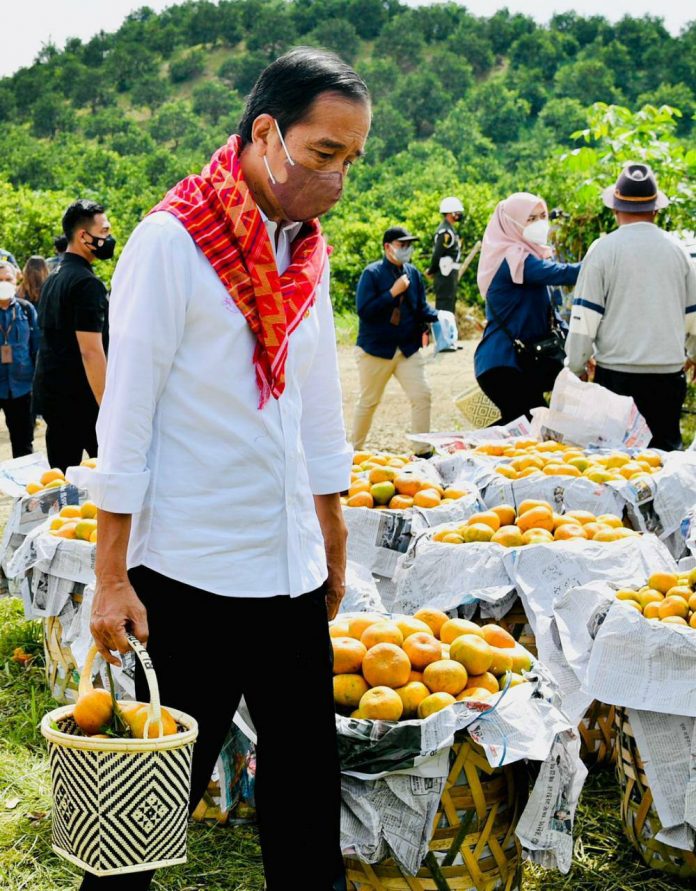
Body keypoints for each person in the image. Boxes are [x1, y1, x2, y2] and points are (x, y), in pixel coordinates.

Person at [79, 48, 371, 891]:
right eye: (324, 155)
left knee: (308, 796)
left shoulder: (304, 255)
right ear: (267, 133)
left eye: (352, 161)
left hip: (287, 575)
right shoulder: (172, 243)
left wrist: (333, 536)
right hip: (189, 577)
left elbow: (316, 404)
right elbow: (125, 422)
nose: (338, 180)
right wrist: (109, 576)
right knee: (142, 811)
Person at [566, 162, 696, 451]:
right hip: (667, 377)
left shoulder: (602, 250)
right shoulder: (678, 251)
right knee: (664, 462)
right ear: (656, 209)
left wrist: (577, 365)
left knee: (616, 463)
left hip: (616, 379)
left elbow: (584, 319)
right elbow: (693, 319)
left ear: (614, 208)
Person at [474, 192, 581, 424]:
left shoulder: (524, 258)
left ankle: (468, 449)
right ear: (512, 224)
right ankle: (461, 451)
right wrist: (602, 259)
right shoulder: (513, 259)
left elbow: (549, 317)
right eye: (531, 219)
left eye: (543, 216)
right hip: (503, 365)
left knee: (527, 425)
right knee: (535, 424)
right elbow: (563, 274)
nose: (540, 223)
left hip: (518, 364)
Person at [33, 199, 111, 471]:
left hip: (53, 395)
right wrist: (107, 404)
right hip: (82, 400)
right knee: (111, 475)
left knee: (62, 482)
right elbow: (90, 350)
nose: (108, 239)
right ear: (82, 236)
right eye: (104, 232)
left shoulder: (54, 278)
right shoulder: (87, 284)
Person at [352, 225, 438, 454]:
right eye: (402, 245)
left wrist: (440, 317)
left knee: (422, 396)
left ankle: (422, 451)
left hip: (407, 349)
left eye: (409, 245)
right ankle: (352, 451)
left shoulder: (413, 273)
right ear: (387, 247)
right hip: (376, 350)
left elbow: (420, 307)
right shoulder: (372, 274)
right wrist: (392, 293)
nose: (406, 249)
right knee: (369, 401)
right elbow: (364, 310)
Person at [0, 262, 40, 457]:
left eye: (8, 279)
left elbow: (37, 347)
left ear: (16, 280)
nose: (4, 284)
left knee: (23, 444)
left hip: (22, 388)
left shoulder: (26, 310)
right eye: (0, 280)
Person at [427, 196, 463, 314]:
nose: (459, 215)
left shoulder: (450, 229)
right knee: (444, 306)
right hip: (445, 273)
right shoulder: (445, 232)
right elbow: (437, 254)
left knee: (450, 303)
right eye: (457, 212)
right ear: (450, 213)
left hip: (449, 273)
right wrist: (432, 270)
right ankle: (443, 332)